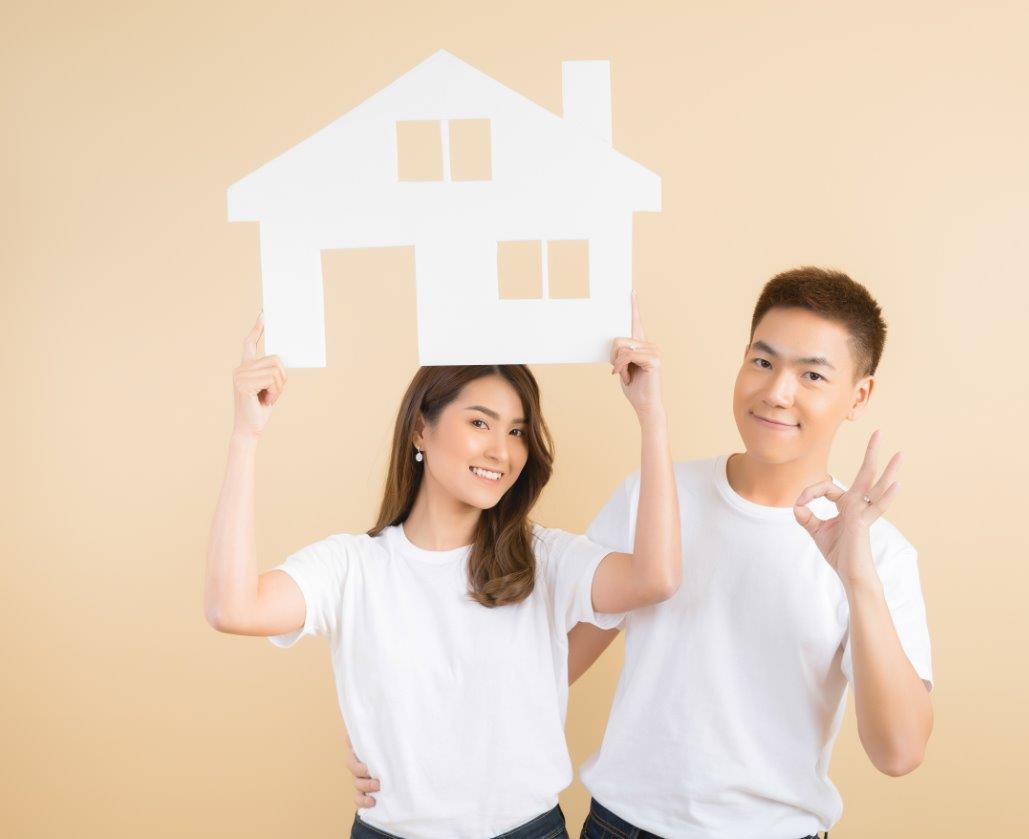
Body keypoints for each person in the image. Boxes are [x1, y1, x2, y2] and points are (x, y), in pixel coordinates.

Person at [352, 266, 934, 839]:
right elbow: (543, 665)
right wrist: (406, 750)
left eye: (812, 376)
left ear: (859, 396)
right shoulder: (656, 497)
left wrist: (856, 576)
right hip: (621, 828)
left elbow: (899, 752)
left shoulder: (878, 554)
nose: (777, 392)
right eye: (763, 361)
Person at [205, 298, 681, 839]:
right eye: (480, 422)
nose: (501, 451)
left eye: (518, 432)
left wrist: (651, 415)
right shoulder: (350, 567)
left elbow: (655, 578)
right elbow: (232, 607)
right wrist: (246, 436)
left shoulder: (544, 559)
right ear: (420, 431)